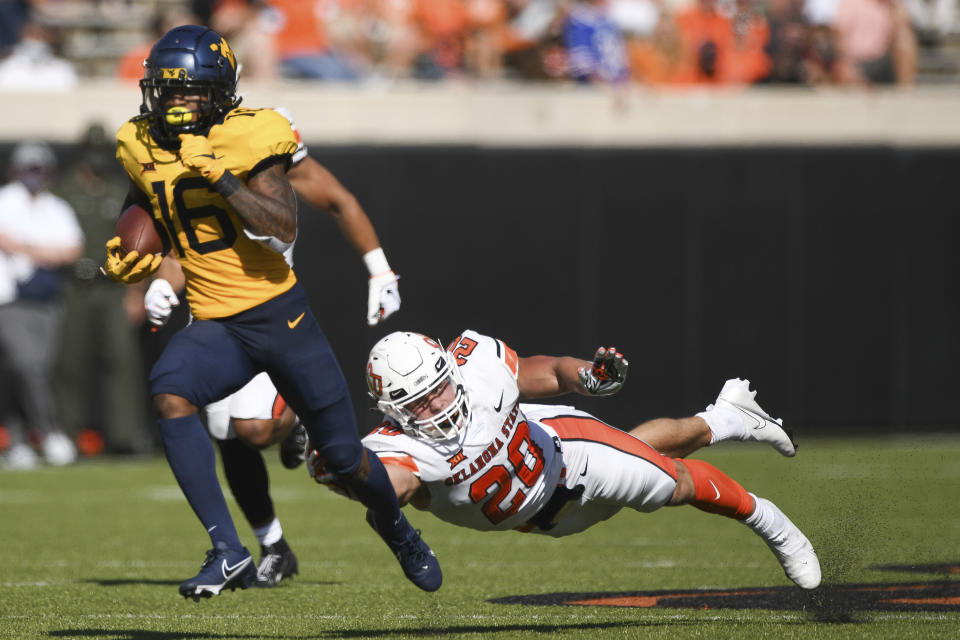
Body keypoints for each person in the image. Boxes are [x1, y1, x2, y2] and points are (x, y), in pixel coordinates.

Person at [102, 24, 440, 599]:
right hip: (216, 323)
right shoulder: (139, 140)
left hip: (281, 318)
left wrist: (219, 174)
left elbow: (280, 224)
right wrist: (136, 252)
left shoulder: (252, 134)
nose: (175, 102)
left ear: (218, 92)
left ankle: (396, 526)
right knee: (171, 391)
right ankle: (230, 549)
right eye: (166, 88)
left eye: (188, 91)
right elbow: (150, 201)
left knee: (344, 459)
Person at [309, 331, 821, 591]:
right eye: (418, 403)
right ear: (392, 413)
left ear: (450, 370)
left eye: (439, 389)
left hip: (570, 455)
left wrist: (586, 376)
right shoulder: (395, 447)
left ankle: (766, 519)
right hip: (544, 520)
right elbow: (387, 486)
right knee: (642, 447)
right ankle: (728, 416)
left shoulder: (478, 368)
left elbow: (543, 371)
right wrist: (338, 469)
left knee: (673, 485)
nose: (437, 406)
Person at [143, 108, 404, 587]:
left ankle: (297, 418)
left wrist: (380, 267)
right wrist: (163, 280)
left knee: (256, 429)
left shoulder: (262, 142)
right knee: (221, 428)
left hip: (266, 309)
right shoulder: (179, 146)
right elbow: (187, 239)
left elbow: (337, 199)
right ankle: (272, 545)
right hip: (212, 308)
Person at [54, 123, 154, 457]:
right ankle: (69, 434)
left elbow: (136, 242)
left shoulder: (119, 189)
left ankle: (125, 435)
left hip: (113, 286)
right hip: (73, 287)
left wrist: (136, 291)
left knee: (121, 359)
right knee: (71, 360)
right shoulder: (63, 189)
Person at [0, 141, 84, 469]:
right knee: (26, 365)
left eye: (39, 169)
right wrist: (43, 251)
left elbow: (72, 250)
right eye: (28, 169)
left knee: (39, 368)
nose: (33, 176)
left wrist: (24, 247)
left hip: (48, 300)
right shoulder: (5, 201)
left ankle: (19, 438)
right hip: (11, 299)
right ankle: (49, 433)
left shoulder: (57, 207)